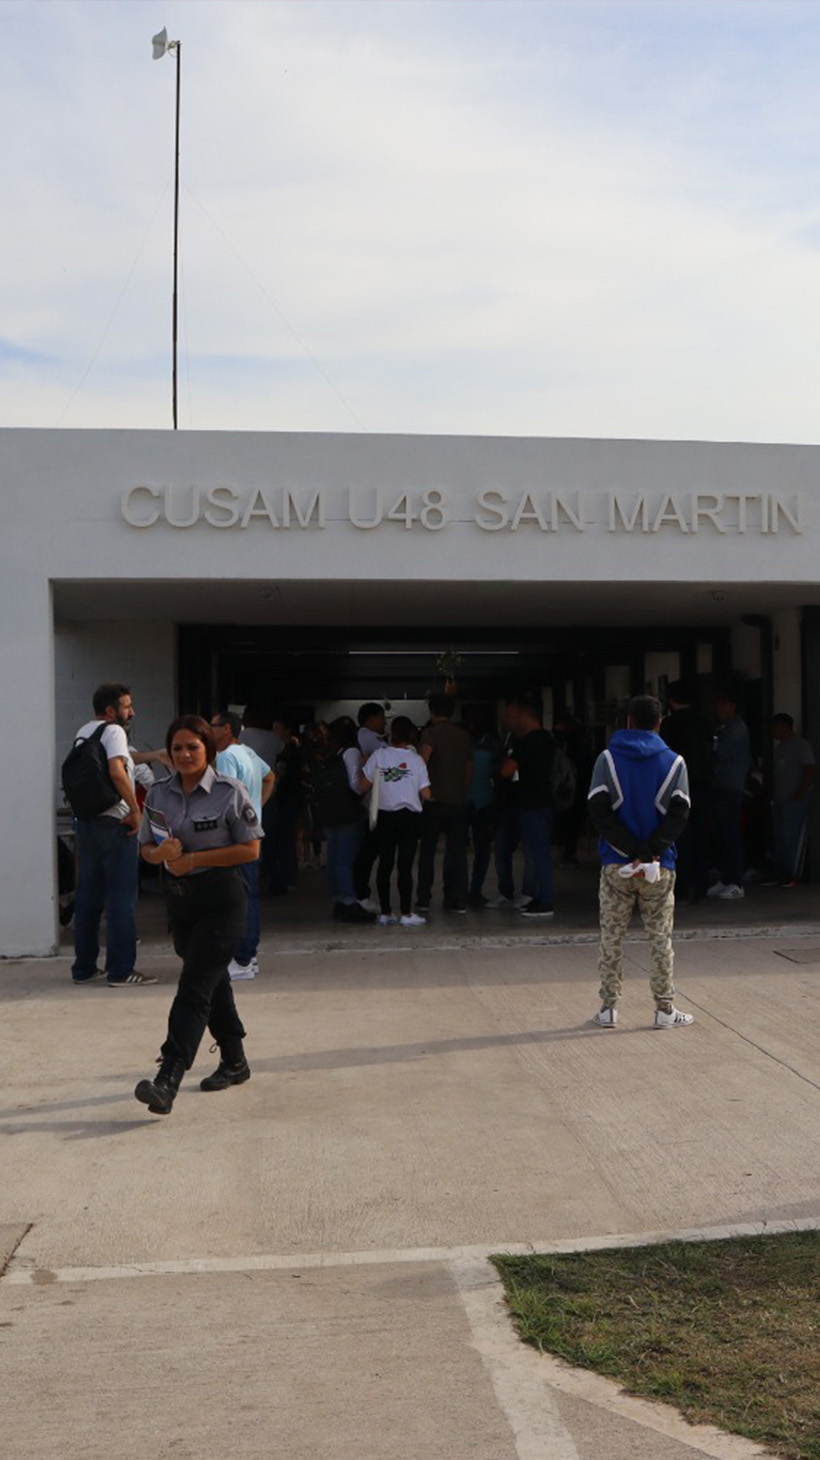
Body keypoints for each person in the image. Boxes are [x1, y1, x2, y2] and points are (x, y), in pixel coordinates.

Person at [134, 715, 262, 1116]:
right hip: (182, 903)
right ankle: (235, 1060)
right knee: (211, 979)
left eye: (193, 747)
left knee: (193, 986)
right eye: (177, 748)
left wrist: (194, 859)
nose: (184, 754)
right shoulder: (158, 794)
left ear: (208, 749)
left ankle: (168, 1077)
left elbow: (251, 850)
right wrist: (161, 855)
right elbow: (145, 849)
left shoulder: (229, 791)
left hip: (222, 900)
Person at [588, 694, 693, 1030]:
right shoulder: (676, 763)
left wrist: (630, 849)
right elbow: (680, 814)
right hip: (660, 866)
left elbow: (599, 812)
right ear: (659, 723)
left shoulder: (607, 759)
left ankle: (607, 1009)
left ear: (629, 722)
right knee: (660, 938)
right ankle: (664, 1011)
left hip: (615, 864)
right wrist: (652, 850)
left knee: (611, 937)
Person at [70, 682, 158, 987]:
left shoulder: (84, 731)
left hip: (88, 822)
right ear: (111, 710)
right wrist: (134, 809)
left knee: (89, 897)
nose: (132, 711)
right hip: (116, 823)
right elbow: (118, 770)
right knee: (122, 898)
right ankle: (121, 970)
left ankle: (84, 967)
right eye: (127, 706)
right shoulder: (115, 731)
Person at [210, 709, 275, 979]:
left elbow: (224, 795)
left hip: (236, 835)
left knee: (238, 898)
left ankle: (242, 958)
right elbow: (270, 777)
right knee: (250, 895)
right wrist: (256, 808)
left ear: (227, 729)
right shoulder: (248, 752)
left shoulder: (225, 757)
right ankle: (250, 955)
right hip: (252, 831)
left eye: (213, 725)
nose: (209, 730)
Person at [360, 716, 431, 927]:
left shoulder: (379, 755)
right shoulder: (416, 760)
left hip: (384, 816)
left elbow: (364, 785)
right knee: (405, 866)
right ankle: (407, 914)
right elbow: (426, 793)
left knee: (385, 864)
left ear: (391, 733)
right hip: (409, 818)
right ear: (411, 735)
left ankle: (386, 912)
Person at [498, 692, 557, 918]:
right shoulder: (547, 739)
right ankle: (537, 896)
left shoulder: (527, 742)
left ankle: (545, 900)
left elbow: (506, 771)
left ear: (526, 715)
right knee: (537, 852)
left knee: (538, 853)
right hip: (542, 802)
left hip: (532, 805)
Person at [312, 716, 373, 922]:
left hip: (329, 812)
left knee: (334, 858)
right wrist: (370, 780)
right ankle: (348, 901)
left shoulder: (329, 751)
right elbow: (356, 785)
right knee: (345, 861)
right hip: (348, 812)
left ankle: (338, 900)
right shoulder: (351, 752)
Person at [416, 695, 473, 914]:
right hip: (458, 801)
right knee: (457, 852)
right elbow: (469, 770)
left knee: (428, 851)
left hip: (433, 801)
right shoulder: (463, 735)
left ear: (432, 711)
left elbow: (422, 762)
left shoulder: (430, 733)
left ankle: (424, 898)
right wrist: (460, 790)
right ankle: (457, 899)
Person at [660, 681, 713, 901]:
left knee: (679, 836)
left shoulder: (670, 725)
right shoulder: (705, 722)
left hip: (678, 787)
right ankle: (702, 887)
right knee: (702, 835)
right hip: (702, 785)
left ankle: (680, 887)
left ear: (671, 700)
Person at [708, 691, 752, 901]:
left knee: (731, 835)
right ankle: (726, 878)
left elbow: (718, 752)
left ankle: (736, 882)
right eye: (719, 705)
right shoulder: (724, 728)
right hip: (721, 786)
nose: (721, 710)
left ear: (734, 706)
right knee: (723, 835)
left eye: (726, 705)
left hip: (731, 787)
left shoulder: (736, 729)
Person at [768, 713, 816, 886]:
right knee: (779, 836)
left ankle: (794, 875)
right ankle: (780, 873)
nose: (773, 731)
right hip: (780, 798)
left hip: (796, 799)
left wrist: (800, 792)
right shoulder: (779, 748)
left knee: (792, 836)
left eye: (775, 727)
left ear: (785, 726)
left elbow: (810, 768)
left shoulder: (801, 745)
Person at [464, 711, 501, 907]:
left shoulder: (462, 743)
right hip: (484, 802)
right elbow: (499, 773)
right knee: (482, 850)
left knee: (460, 849)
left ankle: (458, 892)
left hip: (465, 801)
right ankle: (473, 891)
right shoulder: (493, 746)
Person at [354, 702, 388, 910]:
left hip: (365, 802)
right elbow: (387, 764)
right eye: (382, 717)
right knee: (368, 852)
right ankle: (361, 894)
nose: (384, 722)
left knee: (364, 851)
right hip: (372, 803)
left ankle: (358, 892)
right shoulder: (370, 738)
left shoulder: (361, 736)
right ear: (372, 718)